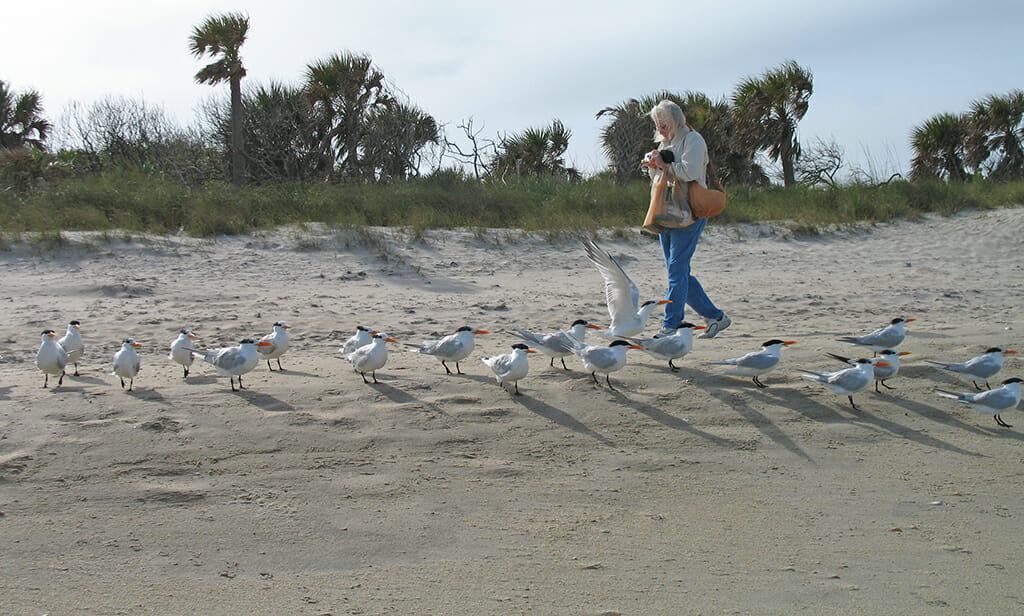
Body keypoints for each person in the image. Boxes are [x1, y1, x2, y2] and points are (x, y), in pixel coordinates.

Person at [642, 99, 730, 339]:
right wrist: (653, 164)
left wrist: (664, 164)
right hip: (667, 211)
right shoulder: (663, 142)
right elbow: (660, 177)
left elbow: (690, 172)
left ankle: (671, 325)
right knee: (678, 271)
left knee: (677, 271)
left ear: (676, 121)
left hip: (689, 211)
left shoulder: (693, 139)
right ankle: (716, 317)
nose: (661, 130)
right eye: (658, 125)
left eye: (664, 124)